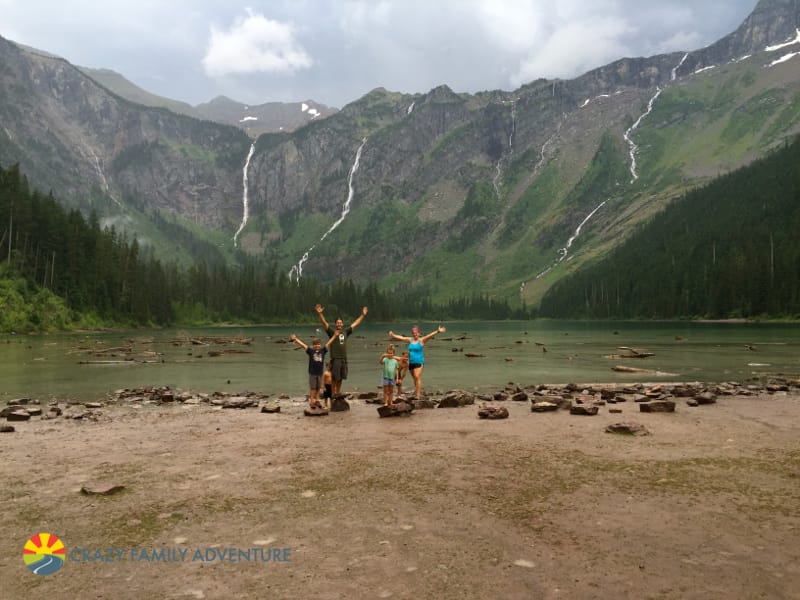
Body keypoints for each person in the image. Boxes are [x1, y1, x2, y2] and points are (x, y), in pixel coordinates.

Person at [315, 304, 368, 397]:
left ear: (342, 324)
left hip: (344, 358)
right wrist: (320, 314)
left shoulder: (345, 332)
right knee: (335, 378)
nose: (339, 324)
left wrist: (362, 315)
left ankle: (337, 393)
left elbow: (356, 323)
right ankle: (333, 393)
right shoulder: (332, 332)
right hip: (335, 358)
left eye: (340, 322)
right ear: (335, 324)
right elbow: (324, 323)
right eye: (337, 323)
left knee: (341, 378)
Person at [388, 325, 446, 400]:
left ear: (418, 333)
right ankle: (417, 391)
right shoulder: (410, 340)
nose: (414, 334)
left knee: (417, 376)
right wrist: (393, 335)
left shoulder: (421, 340)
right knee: (415, 379)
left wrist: (438, 331)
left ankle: (418, 395)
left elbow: (429, 335)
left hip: (419, 361)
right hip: (411, 362)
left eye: (416, 333)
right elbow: (402, 338)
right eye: (413, 333)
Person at [289, 334, 334, 409]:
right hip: (312, 373)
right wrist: (296, 339)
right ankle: (312, 401)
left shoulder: (323, 351)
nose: (317, 346)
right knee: (313, 388)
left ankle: (317, 400)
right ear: (313, 345)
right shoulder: (310, 351)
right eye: (315, 344)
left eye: (318, 344)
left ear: (321, 345)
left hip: (320, 373)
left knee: (318, 388)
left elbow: (329, 343)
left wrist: (335, 336)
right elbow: (303, 345)